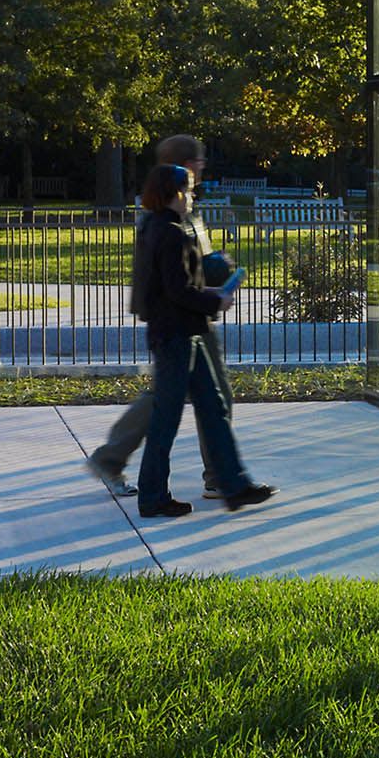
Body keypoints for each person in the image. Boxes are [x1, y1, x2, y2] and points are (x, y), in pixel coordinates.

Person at [129, 162, 275, 518]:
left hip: (184, 333)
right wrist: (215, 299)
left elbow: (170, 287)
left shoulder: (153, 227)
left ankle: (234, 486)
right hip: (178, 336)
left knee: (213, 409)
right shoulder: (172, 232)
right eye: (190, 189)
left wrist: (207, 292)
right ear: (175, 193)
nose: (193, 196)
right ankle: (152, 497)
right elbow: (178, 291)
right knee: (169, 419)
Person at [87, 134, 228, 494]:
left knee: (188, 396)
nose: (202, 168)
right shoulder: (166, 216)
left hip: (189, 315)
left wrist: (213, 271)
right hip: (182, 319)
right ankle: (218, 477)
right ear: (186, 165)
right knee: (195, 396)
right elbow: (173, 278)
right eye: (198, 161)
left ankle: (217, 476)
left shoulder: (180, 208)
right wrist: (211, 290)